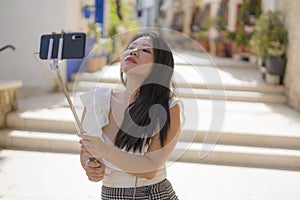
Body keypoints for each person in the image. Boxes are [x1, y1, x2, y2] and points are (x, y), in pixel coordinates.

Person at [79, 31, 184, 200]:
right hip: (109, 195)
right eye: (131, 48)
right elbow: (87, 151)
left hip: (151, 195)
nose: (133, 52)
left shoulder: (169, 107)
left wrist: (104, 150)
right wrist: (89, 166)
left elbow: (150, 169)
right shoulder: (97, 100)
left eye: (145, 51)